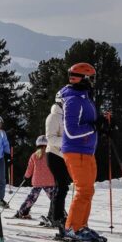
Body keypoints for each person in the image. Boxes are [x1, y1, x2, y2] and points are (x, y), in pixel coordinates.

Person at [59, 62, 106, 242]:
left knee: (88, 191)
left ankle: (81, 225)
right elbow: (71, 131)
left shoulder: (83, 97)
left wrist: (101, 124)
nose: (93, 82)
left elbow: (89, 123)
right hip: (76, 151)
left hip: (86, 150)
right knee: (83, 189)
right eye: (91, 78)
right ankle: (73, 228)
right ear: (84, 79)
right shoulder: (74, 100)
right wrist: (94, 126)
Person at [13, 136, 56, 219]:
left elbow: (30, 168)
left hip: (37, 181)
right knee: (54, 198)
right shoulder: (50, 155)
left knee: (32, 198)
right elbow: (55, 167)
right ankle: (61, 215)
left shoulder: (34, 155)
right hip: (49, 181)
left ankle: (22, 212)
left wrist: (26, 176)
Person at [45, 92, 71, 228]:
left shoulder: (65, 116)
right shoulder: (53, 117)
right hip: (54, 155)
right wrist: (68, 140)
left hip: (62, 156)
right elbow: (50, 139)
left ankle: (53, 214)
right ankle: (57, 217)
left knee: (61, 186)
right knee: (62, 186)